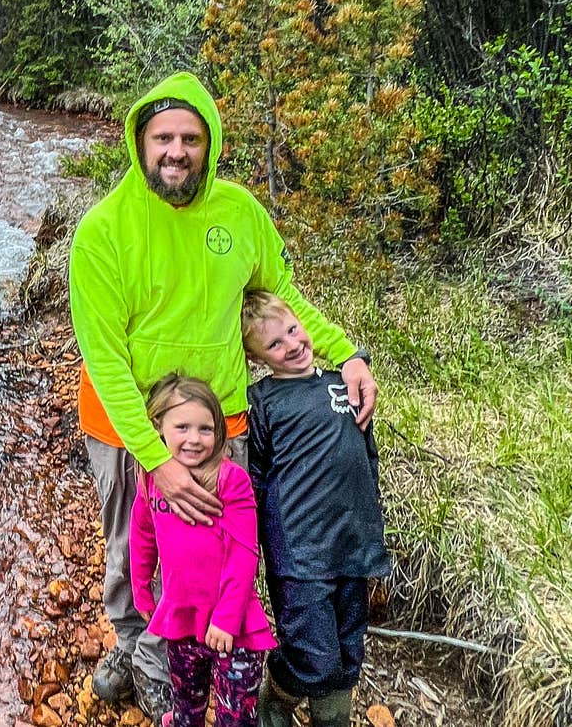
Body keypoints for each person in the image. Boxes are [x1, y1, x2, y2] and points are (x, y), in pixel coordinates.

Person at [68, 72, 375, 718]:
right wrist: (156, 459)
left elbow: (281, 296)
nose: (175, 151)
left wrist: (343, 350)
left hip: (221, 422)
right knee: (134, 544)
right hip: (125, 429)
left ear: (209, 145)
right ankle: (140, 650)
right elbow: (106, 359)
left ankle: (208, 649)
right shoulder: (103, 231)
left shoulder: (240, 213)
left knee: (218, 546)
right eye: (161, 138)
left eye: (189, 138)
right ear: (138, 143)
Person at [242, 290, 390, 727]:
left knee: (349, 644)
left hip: (352, 543)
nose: (291, 344)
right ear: (256, 357)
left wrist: (373, 535)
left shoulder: (340, 383)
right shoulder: (262, 401)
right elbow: (254, 479)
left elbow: (367, 458)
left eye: (292, 330)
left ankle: (332, 718)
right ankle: (277, 697)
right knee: (313, 649)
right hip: (300, 555)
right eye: (274, 344)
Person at [129, 374, 275, 727]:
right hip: (181, 621)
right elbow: (141, 535)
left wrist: (226, 618)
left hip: (234, 629)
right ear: (158, 427)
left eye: (205, 429)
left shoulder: (231, 480)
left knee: (236, 716)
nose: (194, 439)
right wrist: (142, 592)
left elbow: (244, 553)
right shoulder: (153, 479)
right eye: (182, 427)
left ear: (219, 432)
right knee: (186, 706)